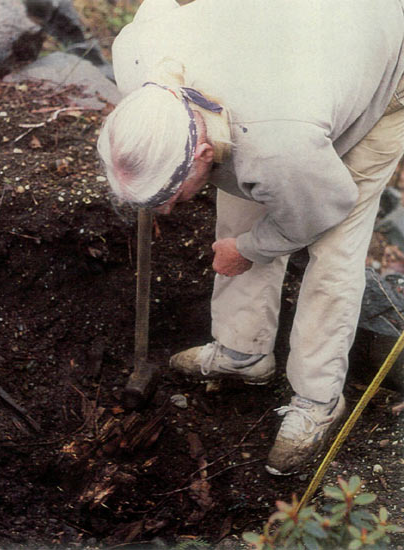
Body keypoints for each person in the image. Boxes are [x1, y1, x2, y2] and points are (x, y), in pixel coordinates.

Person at [98, 0, 404, 475]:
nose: (166, 210)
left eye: (171, 197)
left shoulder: (280, 144)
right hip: (281, 51)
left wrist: (247, 250)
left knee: (333, 246)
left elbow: (324, 206)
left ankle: (317, 401)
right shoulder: (140, 61)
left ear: (201, 151)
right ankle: (243, 352)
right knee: (248, 192)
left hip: (381, 58)